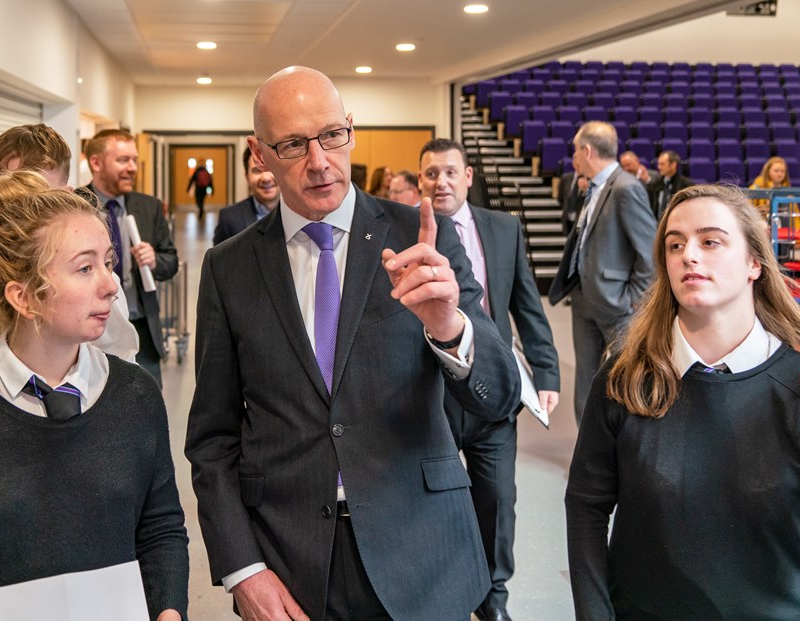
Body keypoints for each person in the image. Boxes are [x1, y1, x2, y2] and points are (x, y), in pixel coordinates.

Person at [185, 66, 521, 621]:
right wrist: (243, 569)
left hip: (422, 554)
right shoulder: (229, 267)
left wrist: (449, 326)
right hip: (291, 565)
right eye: (293, 144)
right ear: (259, 153)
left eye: (331, 136)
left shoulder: (421, 236)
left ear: (350, 130)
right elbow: (213, 438)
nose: (319, 161)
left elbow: (500, 397)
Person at [0, 171, 189, 621]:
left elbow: (161, 528)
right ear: (24, 296)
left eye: (109, 263)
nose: (111, 285)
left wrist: (169, 609)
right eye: (85, 267)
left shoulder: (136, 397)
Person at [565, 184, 800, 620]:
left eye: (710, 241)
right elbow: (586, 507)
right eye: (675, 244)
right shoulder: (625, 379)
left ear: (753, 263)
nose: (688, 255)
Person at [419, 138, 560, 621]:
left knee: (498, 498)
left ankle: (493, 599)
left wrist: (546, 371)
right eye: (431, 174)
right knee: (430, 496)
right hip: (431, 392)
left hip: (494, 390)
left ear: (468, 177)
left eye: (450, 172)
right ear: (421, 180)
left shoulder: (503, 228)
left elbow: (527, 304)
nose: (441, 182)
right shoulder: (405, 231)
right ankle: (441, 591)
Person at [0, 124, 138, 397]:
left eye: (29, 191)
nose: (11, 205)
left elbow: (119, 370)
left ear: (65, 196)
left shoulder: (93, 286)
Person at [548, 121, 657, 425]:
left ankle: (622, 451)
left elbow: (650, 251)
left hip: (616, 304)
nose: (574, 157)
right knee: (586, 379)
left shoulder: (626, 188)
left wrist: (633, 300)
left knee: (625, 378)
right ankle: (587, 451)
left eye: (575, 150)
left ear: (587, 150)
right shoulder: (593, 186)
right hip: (584, 298)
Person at [80, 129, 178, 388]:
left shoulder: (150, 207)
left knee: (146, 403)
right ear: (96, 163)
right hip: (90, 331)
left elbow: (172, 262)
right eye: (123, 160)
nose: (133, 168)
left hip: (142, 328)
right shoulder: (72, 206)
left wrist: (155, 260)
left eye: (134, 160)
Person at [212, 146, 280, 245]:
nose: (266, 178)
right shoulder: (229, 218)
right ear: (247, 177)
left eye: (271, 168)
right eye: (257, 170)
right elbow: (219, 259)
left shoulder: (302, 213)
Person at [647, 150, 694, 218]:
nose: (659, 167)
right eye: (658, 164)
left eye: (662, 164)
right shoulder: (655, 184)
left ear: (673, 165)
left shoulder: (686, 185)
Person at [558, 160, 587, 235]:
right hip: (568, 218)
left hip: (581, 220)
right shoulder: (566, 178)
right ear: (573, 164)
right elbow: (560, 198)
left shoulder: (589, 180)